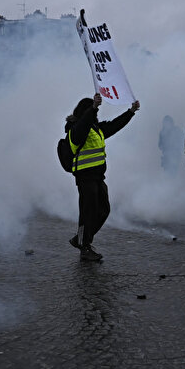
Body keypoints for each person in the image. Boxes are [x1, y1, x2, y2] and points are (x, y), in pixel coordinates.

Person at [65, 93, 140, 261]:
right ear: (85, 111)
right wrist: (93, 108)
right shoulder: (75, 128)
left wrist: (131, 111)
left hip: (98, 176)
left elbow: (114, 125)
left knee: (104, 210)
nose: (97, 114)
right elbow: (82, 127)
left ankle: (80, 239)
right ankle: (84, 247)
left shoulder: (95, 128)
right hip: (85, 177)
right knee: (87, 213)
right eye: (93, 112)